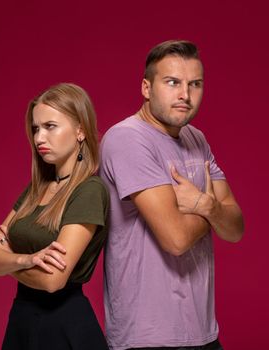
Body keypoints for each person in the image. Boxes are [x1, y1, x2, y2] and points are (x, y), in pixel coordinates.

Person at [99, 40, 245, 350]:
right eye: (172, 82)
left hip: (203, 332)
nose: (185, 95)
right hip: (148, 337)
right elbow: (175, 238)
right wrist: (213, 211)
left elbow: (235, 228)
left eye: (195, 84)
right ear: (146, 88)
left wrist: (205, 204)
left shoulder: (196, 139)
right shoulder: (127, 139)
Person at [0, 83, 109, 350]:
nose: (39, 138)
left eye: (50, 126)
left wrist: (6, 265)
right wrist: (25, 259)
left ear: (80, 130)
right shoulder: (36, 189)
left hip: (62, 326)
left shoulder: (89, 190)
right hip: (22, 320)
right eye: (36, 128)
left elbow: (53, 281)